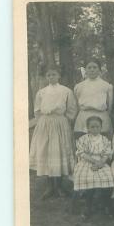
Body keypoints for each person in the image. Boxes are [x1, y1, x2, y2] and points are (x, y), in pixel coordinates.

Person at [30, 66, 77, 199]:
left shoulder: (66, 91)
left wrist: (64, 121)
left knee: (60, 151)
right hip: (45, 124)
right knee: (47, 152)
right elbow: (37, 110)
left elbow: (72, 109)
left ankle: (60, 185)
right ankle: (50, 186)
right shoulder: (41, 92)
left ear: (59, 76)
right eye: (49, 75)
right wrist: (42, 122)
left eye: (54, 74)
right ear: (46, 77)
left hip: (60, 123)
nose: (51, 77)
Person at [72, 116, 114, 219]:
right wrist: (95, 162)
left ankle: (106, 204)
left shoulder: (104, 140)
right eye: (92, 127)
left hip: (101, 162)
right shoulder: (83, 139)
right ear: (88, 128)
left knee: (108, 176)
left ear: (101, 127)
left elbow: (107, 153)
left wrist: (100, 163)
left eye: (97, 127)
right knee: (87, 177)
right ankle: (88, 206)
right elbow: (81, 153)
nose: (95, 129)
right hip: (87, 161)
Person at [73, 58, 113, 140]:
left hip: (101, 117)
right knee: (83, 143)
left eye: (95, 67)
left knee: (102, 143)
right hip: (83, 119)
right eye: (89, 68)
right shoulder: (79, 86)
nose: (92, 70)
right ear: (85, 70)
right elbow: (76, 104)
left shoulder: (107, 86)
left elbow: (110, 105)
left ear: (99, 70)